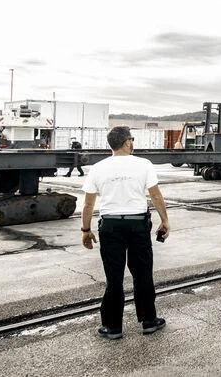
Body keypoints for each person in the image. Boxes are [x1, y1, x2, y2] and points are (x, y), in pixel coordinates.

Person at [80, 126, 169, 340]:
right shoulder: (143, 164)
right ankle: (148, 320)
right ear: (128, 142)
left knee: (114, 277)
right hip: (138, 225)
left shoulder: (98, 168)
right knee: (142, 274)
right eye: (132, 139)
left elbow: (87, 205)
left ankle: (113, 327)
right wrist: (165, 220)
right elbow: (156, 196)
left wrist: (86, 230)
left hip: (110, 227)